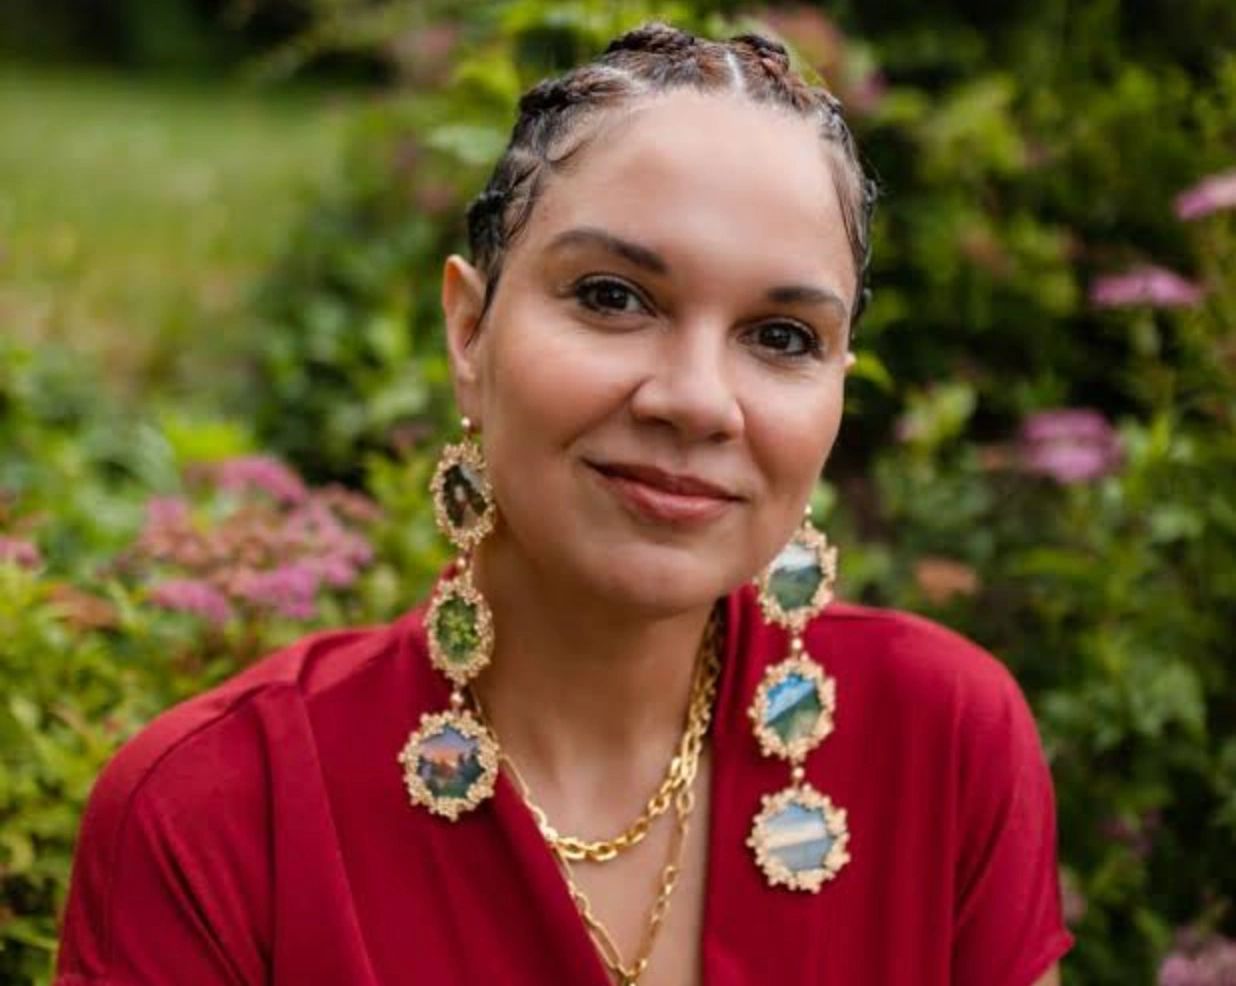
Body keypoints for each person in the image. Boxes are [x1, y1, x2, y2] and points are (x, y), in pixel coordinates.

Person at [55, 21, 1073, 986]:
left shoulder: (942, 746)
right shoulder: (224, 816)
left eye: (781, 336)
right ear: (468, 330)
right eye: (612, 296)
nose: (694, 400)